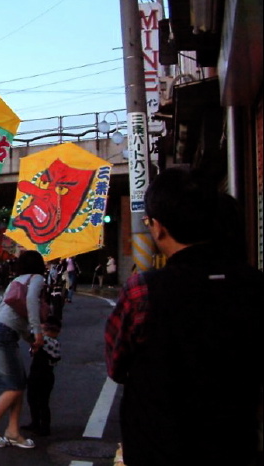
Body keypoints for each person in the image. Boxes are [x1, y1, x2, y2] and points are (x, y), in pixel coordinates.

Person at [104, 169, 263, 466]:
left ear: (159, 227)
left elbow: (116, 364)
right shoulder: (254, 284)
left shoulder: (144, 290)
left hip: (158, 447)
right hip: (236, 447)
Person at [0, 250, 45, 449]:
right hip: (4, 334)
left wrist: (29, 338)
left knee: (18, 384)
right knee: (14, 386)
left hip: (1, 330)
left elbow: (17, 314)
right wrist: (37, 331)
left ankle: (13, 431)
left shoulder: (16, 281)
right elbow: (31, 302)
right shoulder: (37, 279)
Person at [22, 315, 62, 437]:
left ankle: (43, 427)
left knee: (38, 401)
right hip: (44, 375)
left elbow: (30, 337)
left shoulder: (48, 341)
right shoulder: (53, 342)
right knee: (37, 400)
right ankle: (38, 424)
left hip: (41, 374)